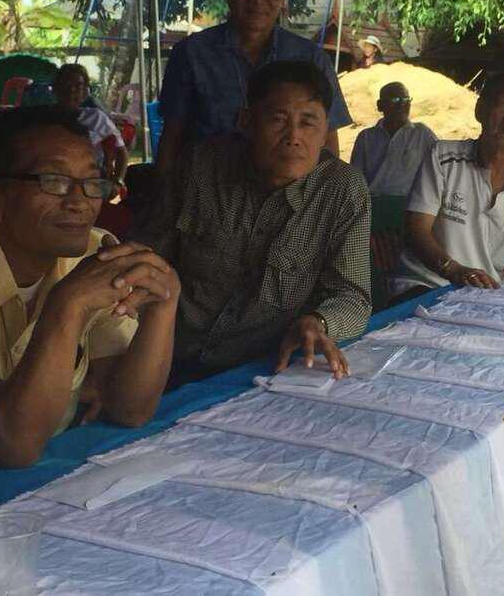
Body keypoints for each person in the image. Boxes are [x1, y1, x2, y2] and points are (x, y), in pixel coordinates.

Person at [140, 60, 370, 386]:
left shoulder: (342, 190)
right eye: (278, 120)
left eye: (308, 123)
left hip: (261, 370)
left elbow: (352, 294)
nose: (293, 137)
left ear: (325, 134)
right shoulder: (201, 166)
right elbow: (147, 255)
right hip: (167, 355)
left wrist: (319, 322)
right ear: (246, 122)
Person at [0, 107, 180, 468]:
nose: (79, 202)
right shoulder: (81, 281)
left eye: (93, 182)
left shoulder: (94, 252)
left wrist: (163, 304)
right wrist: (68, 305)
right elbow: (13, 445)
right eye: (53, 181)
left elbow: (129, 409)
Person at [155, 0, 352, 190]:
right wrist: (163, 199)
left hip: (290, 202)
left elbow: (328, 145)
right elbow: (172, 139)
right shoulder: (191, 55)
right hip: (207, 198)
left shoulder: (311, 59)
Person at [389, 72, 504, 302]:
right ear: (480, 111)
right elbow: (417, 230)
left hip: (481, 298)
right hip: (424, 286)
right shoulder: (442, 158)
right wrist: (454, 270)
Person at [350, 82, 437, 196]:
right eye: (395, 99)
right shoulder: (366, 137)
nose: (402, 104)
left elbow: (441, 169)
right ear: (380, 105)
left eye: (406, 99)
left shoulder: (422, 134)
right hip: (374, 202)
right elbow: (355, 180)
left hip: (411, 204)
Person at [53, 63, 128, 187]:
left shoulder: (96, 118)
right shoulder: (44, 118)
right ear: (56, 89)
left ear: (85, 91)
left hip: (90, 182)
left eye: (78, 86)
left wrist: (118, 182)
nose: (72, 90)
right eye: (67, 84)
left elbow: (121, 152)